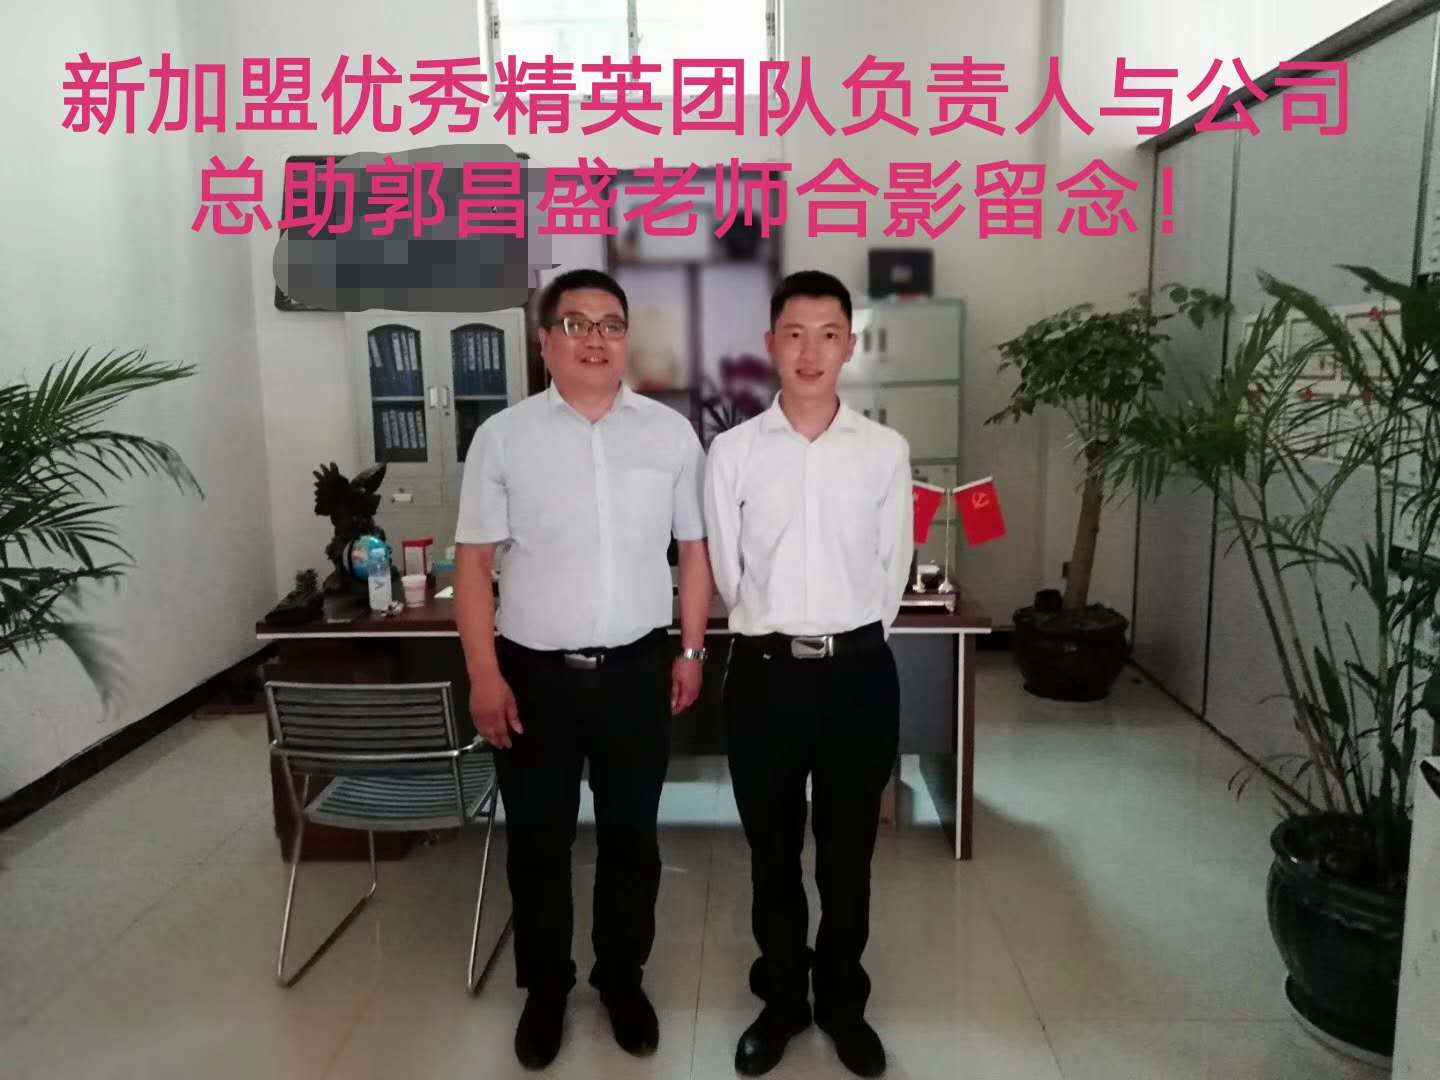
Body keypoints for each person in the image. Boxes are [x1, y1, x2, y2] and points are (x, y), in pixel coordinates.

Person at [453, 268, 713, 1070]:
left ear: (626, 339)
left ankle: (621, 981)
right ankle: (546, 990)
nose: (595, 339)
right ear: (545, 341)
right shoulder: (503, 437)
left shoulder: (669, 435)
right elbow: (474, 564)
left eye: (610, 324)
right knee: (539, 841)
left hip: (638, 670)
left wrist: (692, 649)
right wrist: (484, 675)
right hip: (534, 677)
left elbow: (693, 550)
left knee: (632, 838)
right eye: (575, 323)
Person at [703, 270, 912, 1078]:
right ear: (770, 345)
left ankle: (843, 1003)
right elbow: (729, 572)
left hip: (858, 675)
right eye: (794, 333)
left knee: (848, 854)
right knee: (773, 851)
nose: (810, 351)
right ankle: (784, 998)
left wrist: (848, 637)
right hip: (764, 676)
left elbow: (892, 570)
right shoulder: (733, 452)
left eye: (828, 334)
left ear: (850, 346)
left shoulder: (884, 451)